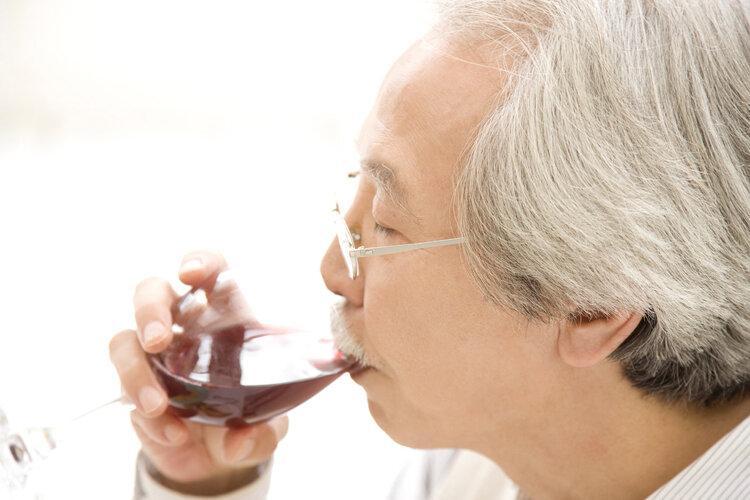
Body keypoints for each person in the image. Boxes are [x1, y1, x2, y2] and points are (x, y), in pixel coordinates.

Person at [109, 1, 750, 498]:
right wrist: (203, 482)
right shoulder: (485, 458)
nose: (332, 272)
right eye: (354, 200)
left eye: (385, 227)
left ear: (592, 305)